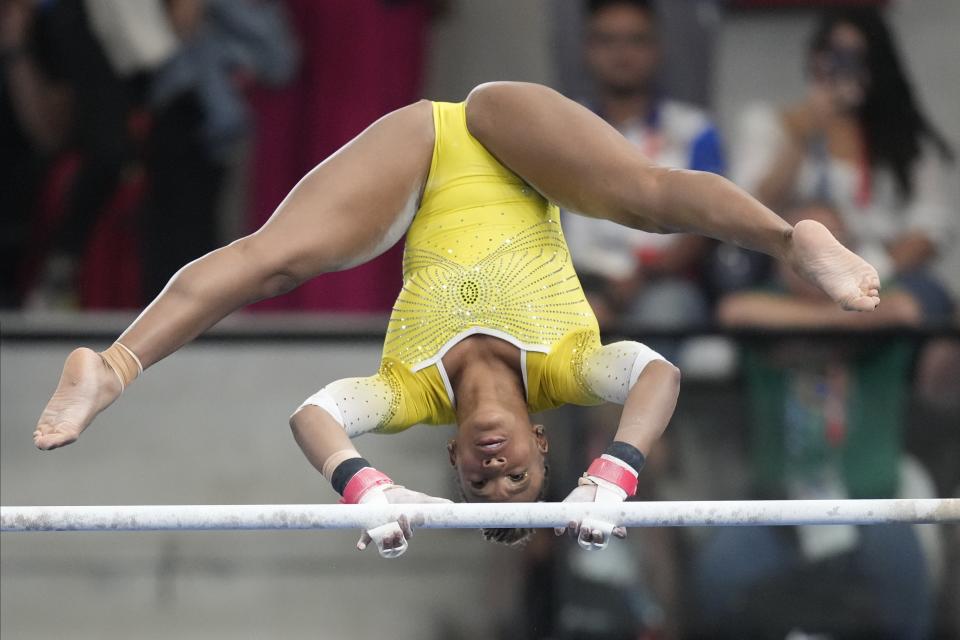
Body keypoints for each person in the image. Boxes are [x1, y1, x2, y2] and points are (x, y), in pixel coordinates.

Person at [33, 82, 881, 557]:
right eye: (518, 478)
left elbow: (316, 416)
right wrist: (617, 472)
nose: (497, 470)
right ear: (547, 445)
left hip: (423, 153)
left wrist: (364, 487)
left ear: (452, 461)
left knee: (275, 258)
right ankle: (788, 239)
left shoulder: (410, 394)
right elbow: (659, 373)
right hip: (518, 136)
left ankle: (110, 367)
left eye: (479, 484)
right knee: (646, 198)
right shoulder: (569, 370)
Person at [701, 203, 932, 638]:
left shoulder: (884, 301)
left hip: (873, 510)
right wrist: (840, 324)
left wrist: (833, 316)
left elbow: (905, 311)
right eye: (805, 245)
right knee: (721, 569)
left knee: (904, 574)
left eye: (830, 244)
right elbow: (735, 311)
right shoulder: (765, 306)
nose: (819, 258)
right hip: (776, 512)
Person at [732, 8, 956, 322]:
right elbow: (753, 206)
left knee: (918, 305)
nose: (843, 69)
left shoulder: (906, 140)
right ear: (814, 58)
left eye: (857, 57)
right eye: (833, 55)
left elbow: (931, 228)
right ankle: (839, 321)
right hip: (794, 273)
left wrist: (872, 270)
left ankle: (836, 320)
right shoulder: (773, 125)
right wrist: (807, 131)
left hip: (883, 272)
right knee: (737, 309)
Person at [563, 0, 723, 332]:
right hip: (573, 282)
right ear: (587, 49)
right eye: (608, 41)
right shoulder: (561, 125)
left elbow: (708, 225)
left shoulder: (694, 130)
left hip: (663, 284)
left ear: (657, 48)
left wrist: (646, 275)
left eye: (636, 40)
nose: (622, 53)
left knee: (665, 312)